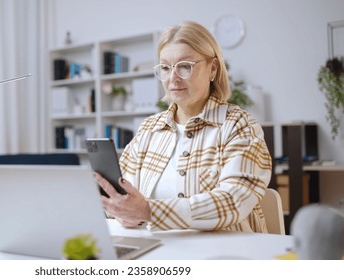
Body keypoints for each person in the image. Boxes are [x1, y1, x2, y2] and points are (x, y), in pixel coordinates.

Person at [94, 21, 272, 233]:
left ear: (212, 69)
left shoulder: (238, 126)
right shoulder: (149, 129)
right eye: (165, 68)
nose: (173, 78)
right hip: (158, 251)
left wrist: (149, 211)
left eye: (185, 66)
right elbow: (119, 197)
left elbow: (232, 201)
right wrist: (123, 213)